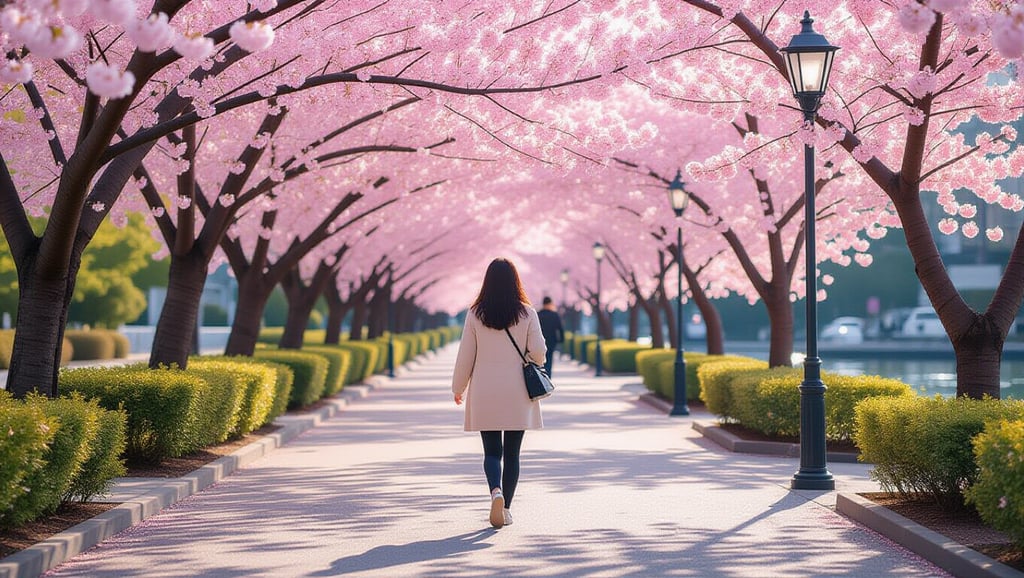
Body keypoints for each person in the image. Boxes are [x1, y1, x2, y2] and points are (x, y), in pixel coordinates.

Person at [452, 258, 547, 529]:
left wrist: (458, 388)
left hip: (485, 391)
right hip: (518, 391)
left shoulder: (475, 314)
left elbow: (465, 356)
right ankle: (505, 509)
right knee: (513, 453)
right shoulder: (528, 313)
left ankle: (495, 491)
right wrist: (531, 360)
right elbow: (539, 353)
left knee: (492, 452)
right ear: (515, 281)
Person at [536, 296, 564, 376]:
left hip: (540, 341)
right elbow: (560, 328)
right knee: (549, 360)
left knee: (540, 360)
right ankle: (548, 377)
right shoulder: (554, 315)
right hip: (552, 341)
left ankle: (542, 377)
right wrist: (561, 339)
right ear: (550, 304)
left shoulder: (538, 314)